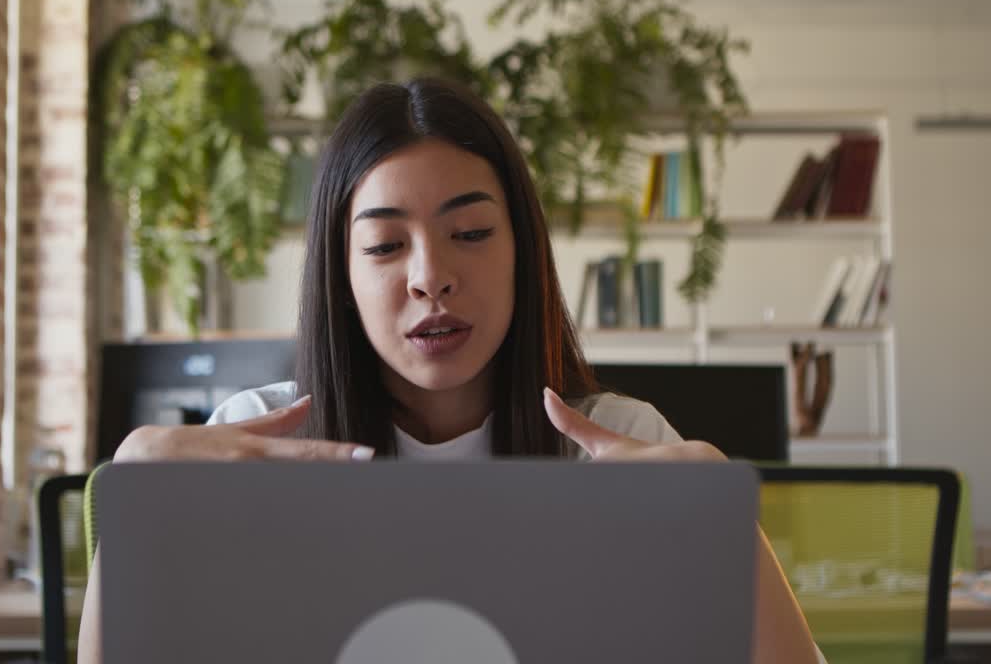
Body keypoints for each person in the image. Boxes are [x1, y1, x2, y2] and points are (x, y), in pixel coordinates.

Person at [79, 78, 822, 663]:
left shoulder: (623, 447)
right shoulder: (250, 444)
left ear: (522, 251)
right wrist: (135, 515)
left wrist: (730, 531)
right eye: (384, 246)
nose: (430, 276)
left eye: (470, 232)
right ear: (340, 276)